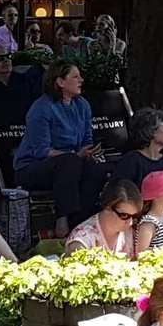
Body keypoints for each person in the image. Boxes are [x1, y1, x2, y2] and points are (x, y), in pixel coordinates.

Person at [15, 61, 104, 227]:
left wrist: (89, 151)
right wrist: (75, 155)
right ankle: (62, 219)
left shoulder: (82, 105)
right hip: (33, 167)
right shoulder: (41, 108)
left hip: (71, 165)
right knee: (70, 161)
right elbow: (41, 151)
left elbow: (87, 139)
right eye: (75, 76)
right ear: (60, 82)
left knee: (94, 169)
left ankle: (79, 223)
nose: (81, 80)